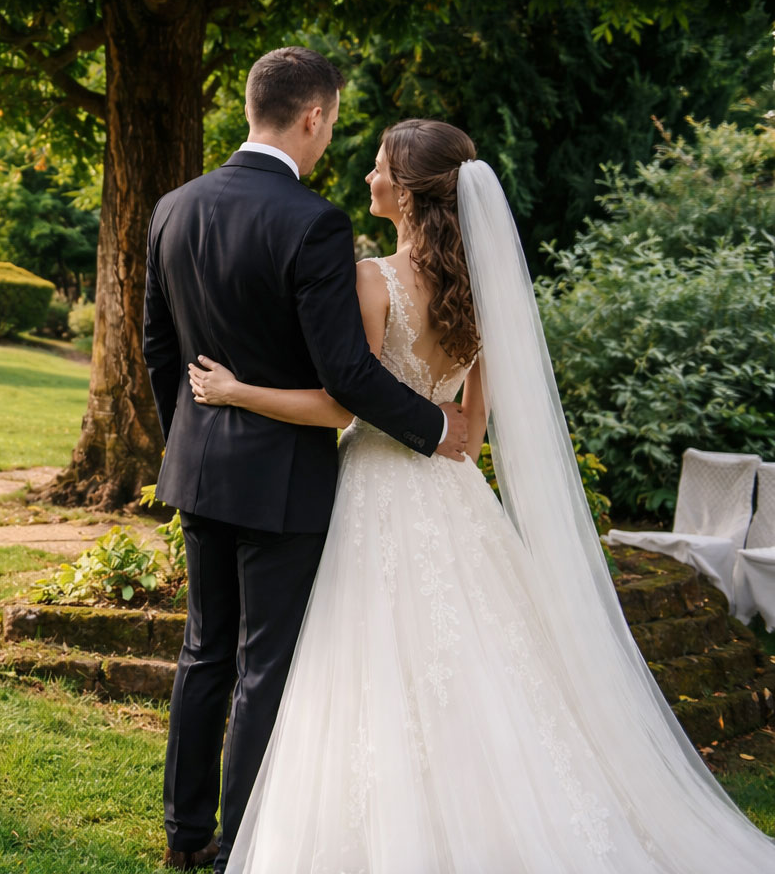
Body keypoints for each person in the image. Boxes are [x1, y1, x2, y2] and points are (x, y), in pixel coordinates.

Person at [187, 118, 775, 871]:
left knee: (369, 658)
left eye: (376, 169)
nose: (366, 178)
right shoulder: (479, 293)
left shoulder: (372, 280)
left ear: (404, 191)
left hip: (376, 486)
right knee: (489, 664)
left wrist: (237, 390)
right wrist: (441, 424)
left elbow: (345, 402)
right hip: (456, 492)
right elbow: (471, 430)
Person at [142, 48, 470, 871]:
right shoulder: (314, 222)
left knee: (202, 650)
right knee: (263, 668)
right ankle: (236, 846)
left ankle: (184, 835)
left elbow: (157, 350)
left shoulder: (173, 206)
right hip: (284, 482)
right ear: (313, 116)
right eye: (332, 128)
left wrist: (188, 439)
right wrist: (438, 430)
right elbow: (349, 374)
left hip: (200, 468)